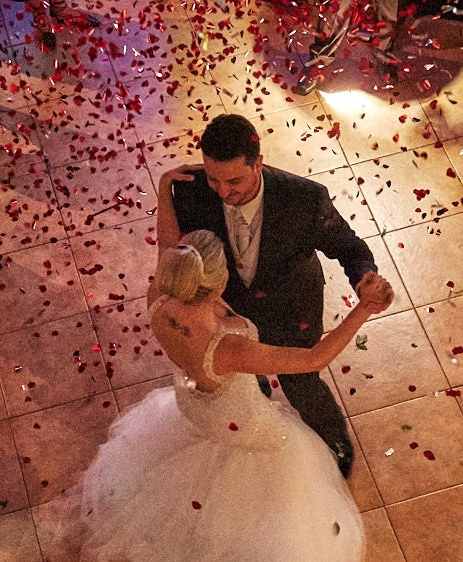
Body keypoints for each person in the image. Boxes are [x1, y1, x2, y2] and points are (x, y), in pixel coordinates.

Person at [79, 230, 386, 562]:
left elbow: (167, 241)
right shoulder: (226, 348)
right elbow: (314, 358)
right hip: (244, 424)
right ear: (218, 282)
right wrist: (364, 310)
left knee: (208, 478)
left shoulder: (160, 299)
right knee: (269, 496)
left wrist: (166, 187)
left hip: (196, 405)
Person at [157, 112, 381, 475]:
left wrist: (364, 277)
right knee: (245, 380)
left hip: (293, 308)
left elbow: (348, 246)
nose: (224, 192)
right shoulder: (190, 189)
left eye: (234, 181)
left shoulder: (305, 199)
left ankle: (335, 440)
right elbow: (173, 249)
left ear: (258, 163)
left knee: (302, 383)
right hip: (230, 314)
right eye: (213, 179)